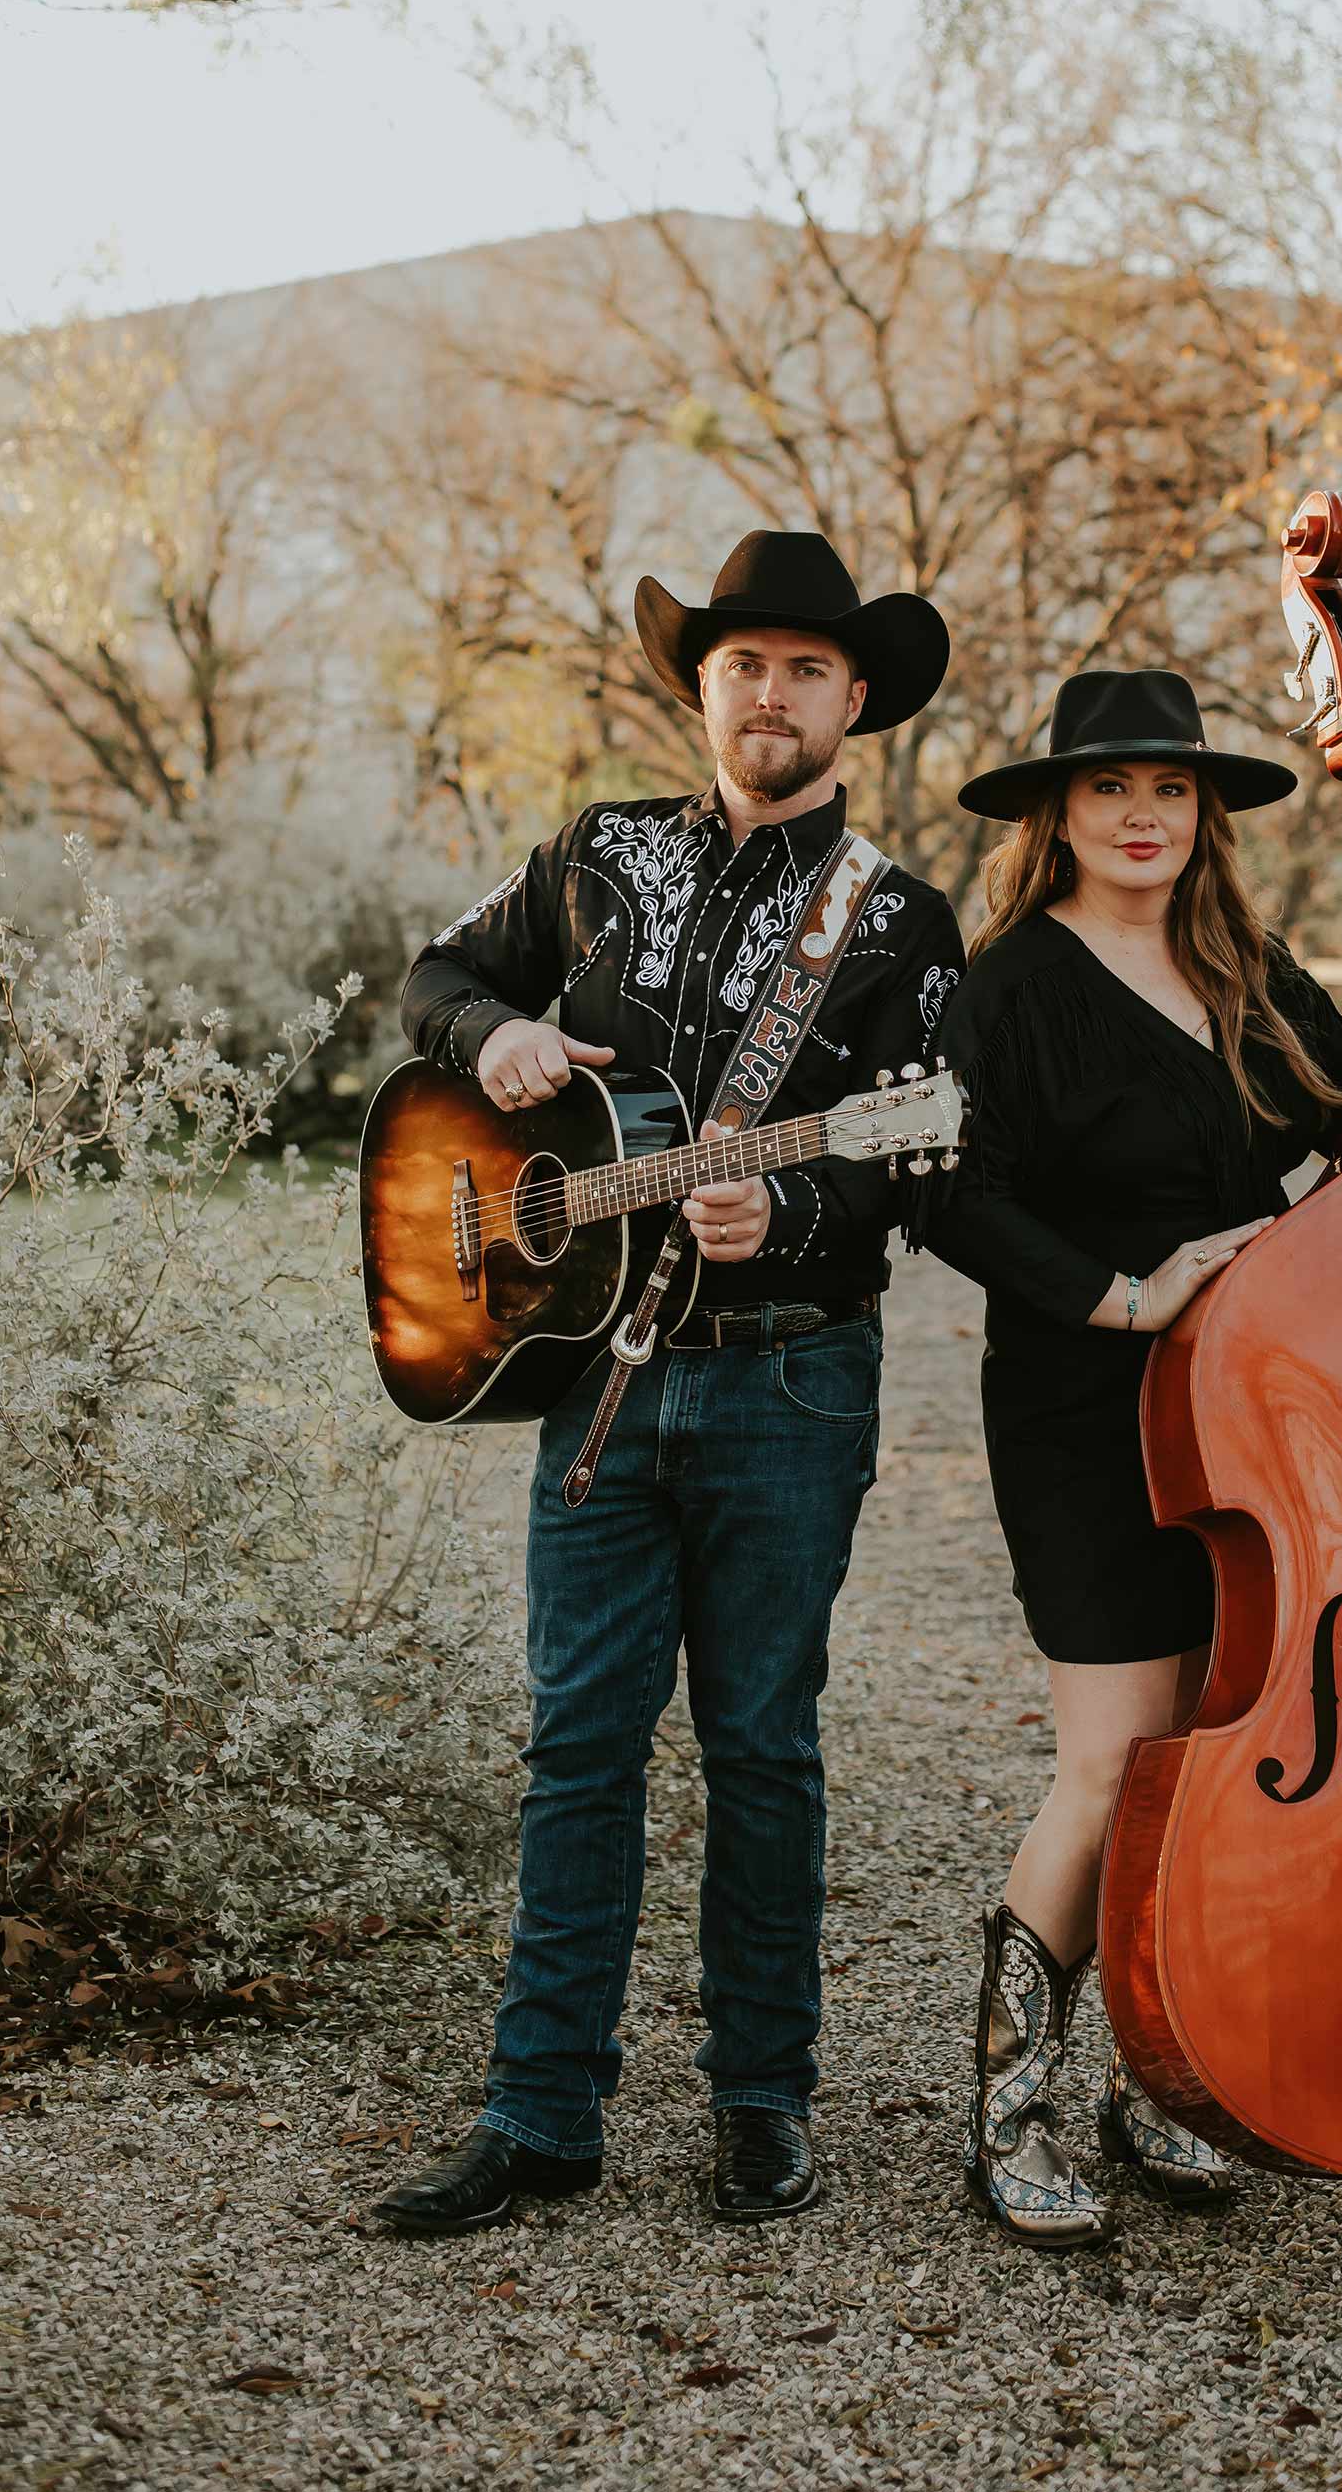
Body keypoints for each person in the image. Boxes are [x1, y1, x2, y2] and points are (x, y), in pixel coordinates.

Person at [372, 532, 966, 2235]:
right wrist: (488, 1040)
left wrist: (792, 1195)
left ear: (855, 702)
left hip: (788, 1387)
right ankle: (540, 2109)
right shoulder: (594, 854)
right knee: (576, 1746)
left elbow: (934, 1164)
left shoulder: (903, 923)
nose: (766, 694)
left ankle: (760, 2102)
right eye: (739, 665)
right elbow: (437, 974)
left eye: (801, 669)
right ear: (698, 685)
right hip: (595, 1379)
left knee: (763, 1749)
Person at [924, 667, 1342, 2247]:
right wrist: (1124, 1292)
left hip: (1258, 1421)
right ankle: (1007, 2103)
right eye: (1108, 790)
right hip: (1088, 1413)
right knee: (1109, 1759)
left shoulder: (1244, 966)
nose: (1142, 815)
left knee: (1220, 1754)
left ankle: (1158, 2078)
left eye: (1168, 790)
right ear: (1056, 816)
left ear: (1200, 813)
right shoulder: (1006, 985)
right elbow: (948, 1192)